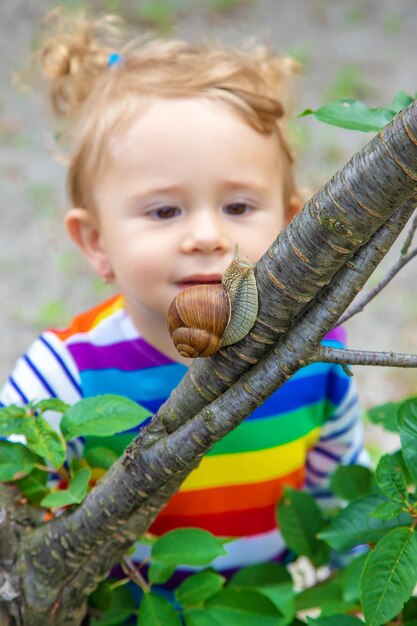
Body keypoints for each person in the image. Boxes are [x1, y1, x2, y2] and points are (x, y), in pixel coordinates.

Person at [0, 9, 366, 588]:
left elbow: (341, 490)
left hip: (260, 607)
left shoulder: (315, 358)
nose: (205, 236)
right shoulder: (66, 372)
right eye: (165, 210)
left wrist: (365, 591)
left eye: (239, 207)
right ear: (97, 242)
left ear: (293, 225)